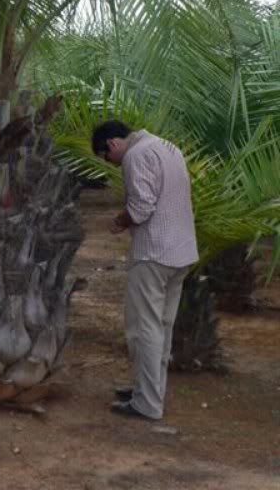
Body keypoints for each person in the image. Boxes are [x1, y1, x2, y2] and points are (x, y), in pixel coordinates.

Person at [91, 120, 198, 420]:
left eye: (106, 157)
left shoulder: (135, 156)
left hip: (153, 254)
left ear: (112, 144)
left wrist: (119, 221)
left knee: (144, 328)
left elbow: (141, 207)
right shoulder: (168, 147)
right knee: (162, 326)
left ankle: (147, 403)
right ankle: (149, 391)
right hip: (181, 252)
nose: (111, 164)